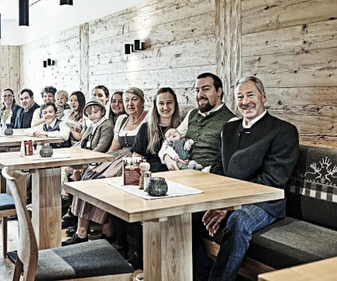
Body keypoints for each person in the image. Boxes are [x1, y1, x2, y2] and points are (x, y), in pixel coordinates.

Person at [193, 76, 299, 281]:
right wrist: (212, 198)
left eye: (250, 95)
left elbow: (272, 181)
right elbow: (218, 167)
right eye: (240, 96)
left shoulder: (283, 130)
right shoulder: (229, 129)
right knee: (185, 214)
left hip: (265, 202)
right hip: (229, 196)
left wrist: (230, 205)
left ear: (263, 97)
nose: (245, 101)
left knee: (238, 221)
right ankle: (204, 274)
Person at [63, 87, 148, 244]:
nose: (130, 104)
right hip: (117, 156)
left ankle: (107, 230)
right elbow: (113, 147)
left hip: (135, 159)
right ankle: (81, 231)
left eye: (134, 100)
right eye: (127, 100)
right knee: (89, 175)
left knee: (103, 180)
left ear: (142, 101)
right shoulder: (122, 119)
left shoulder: (148, 119)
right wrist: (101, 161)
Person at [116, 87, 181, 269]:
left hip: (171, 178)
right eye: (161, 103)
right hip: (147, 174)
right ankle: (126, 250)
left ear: (175, 105)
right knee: (123, 198)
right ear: (155, 105)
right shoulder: (147, 127)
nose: (165, 107)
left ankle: (146, 256)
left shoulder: (180, 128)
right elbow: (136, 156)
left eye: (169, 103)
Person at [159, 72, 236, 171]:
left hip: (208, 178)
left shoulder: (231, 121)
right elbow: (169, 140)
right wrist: (167, 158)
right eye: (197, 90)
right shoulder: (192, 114)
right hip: (180, 173)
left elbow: (227, 162)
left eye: (206, 89)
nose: (200, 95)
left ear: (218, 91)